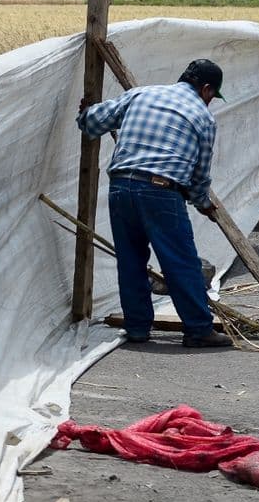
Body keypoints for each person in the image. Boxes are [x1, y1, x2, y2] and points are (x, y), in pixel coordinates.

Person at [77, 59, 231, 349]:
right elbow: (199, 175)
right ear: (207, 89)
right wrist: (203, 204)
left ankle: (137, 327)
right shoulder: (203, 117)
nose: (210, 101)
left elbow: (91, 123)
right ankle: (198, 329)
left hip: (121, 187)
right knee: (180, 261)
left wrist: (85, 112)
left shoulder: (140, 94)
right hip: (161, 191)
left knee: (131, 259)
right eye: (212, 96)